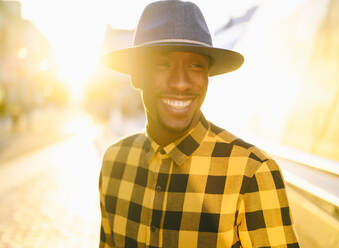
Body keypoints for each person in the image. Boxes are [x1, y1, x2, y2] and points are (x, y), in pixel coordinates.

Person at [99, 1, 300, 247]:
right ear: (136, 76)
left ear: (207, 76)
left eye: (196, 65)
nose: (181, 83)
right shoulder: (114, 162)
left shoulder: (252, 173)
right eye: (163, 64)